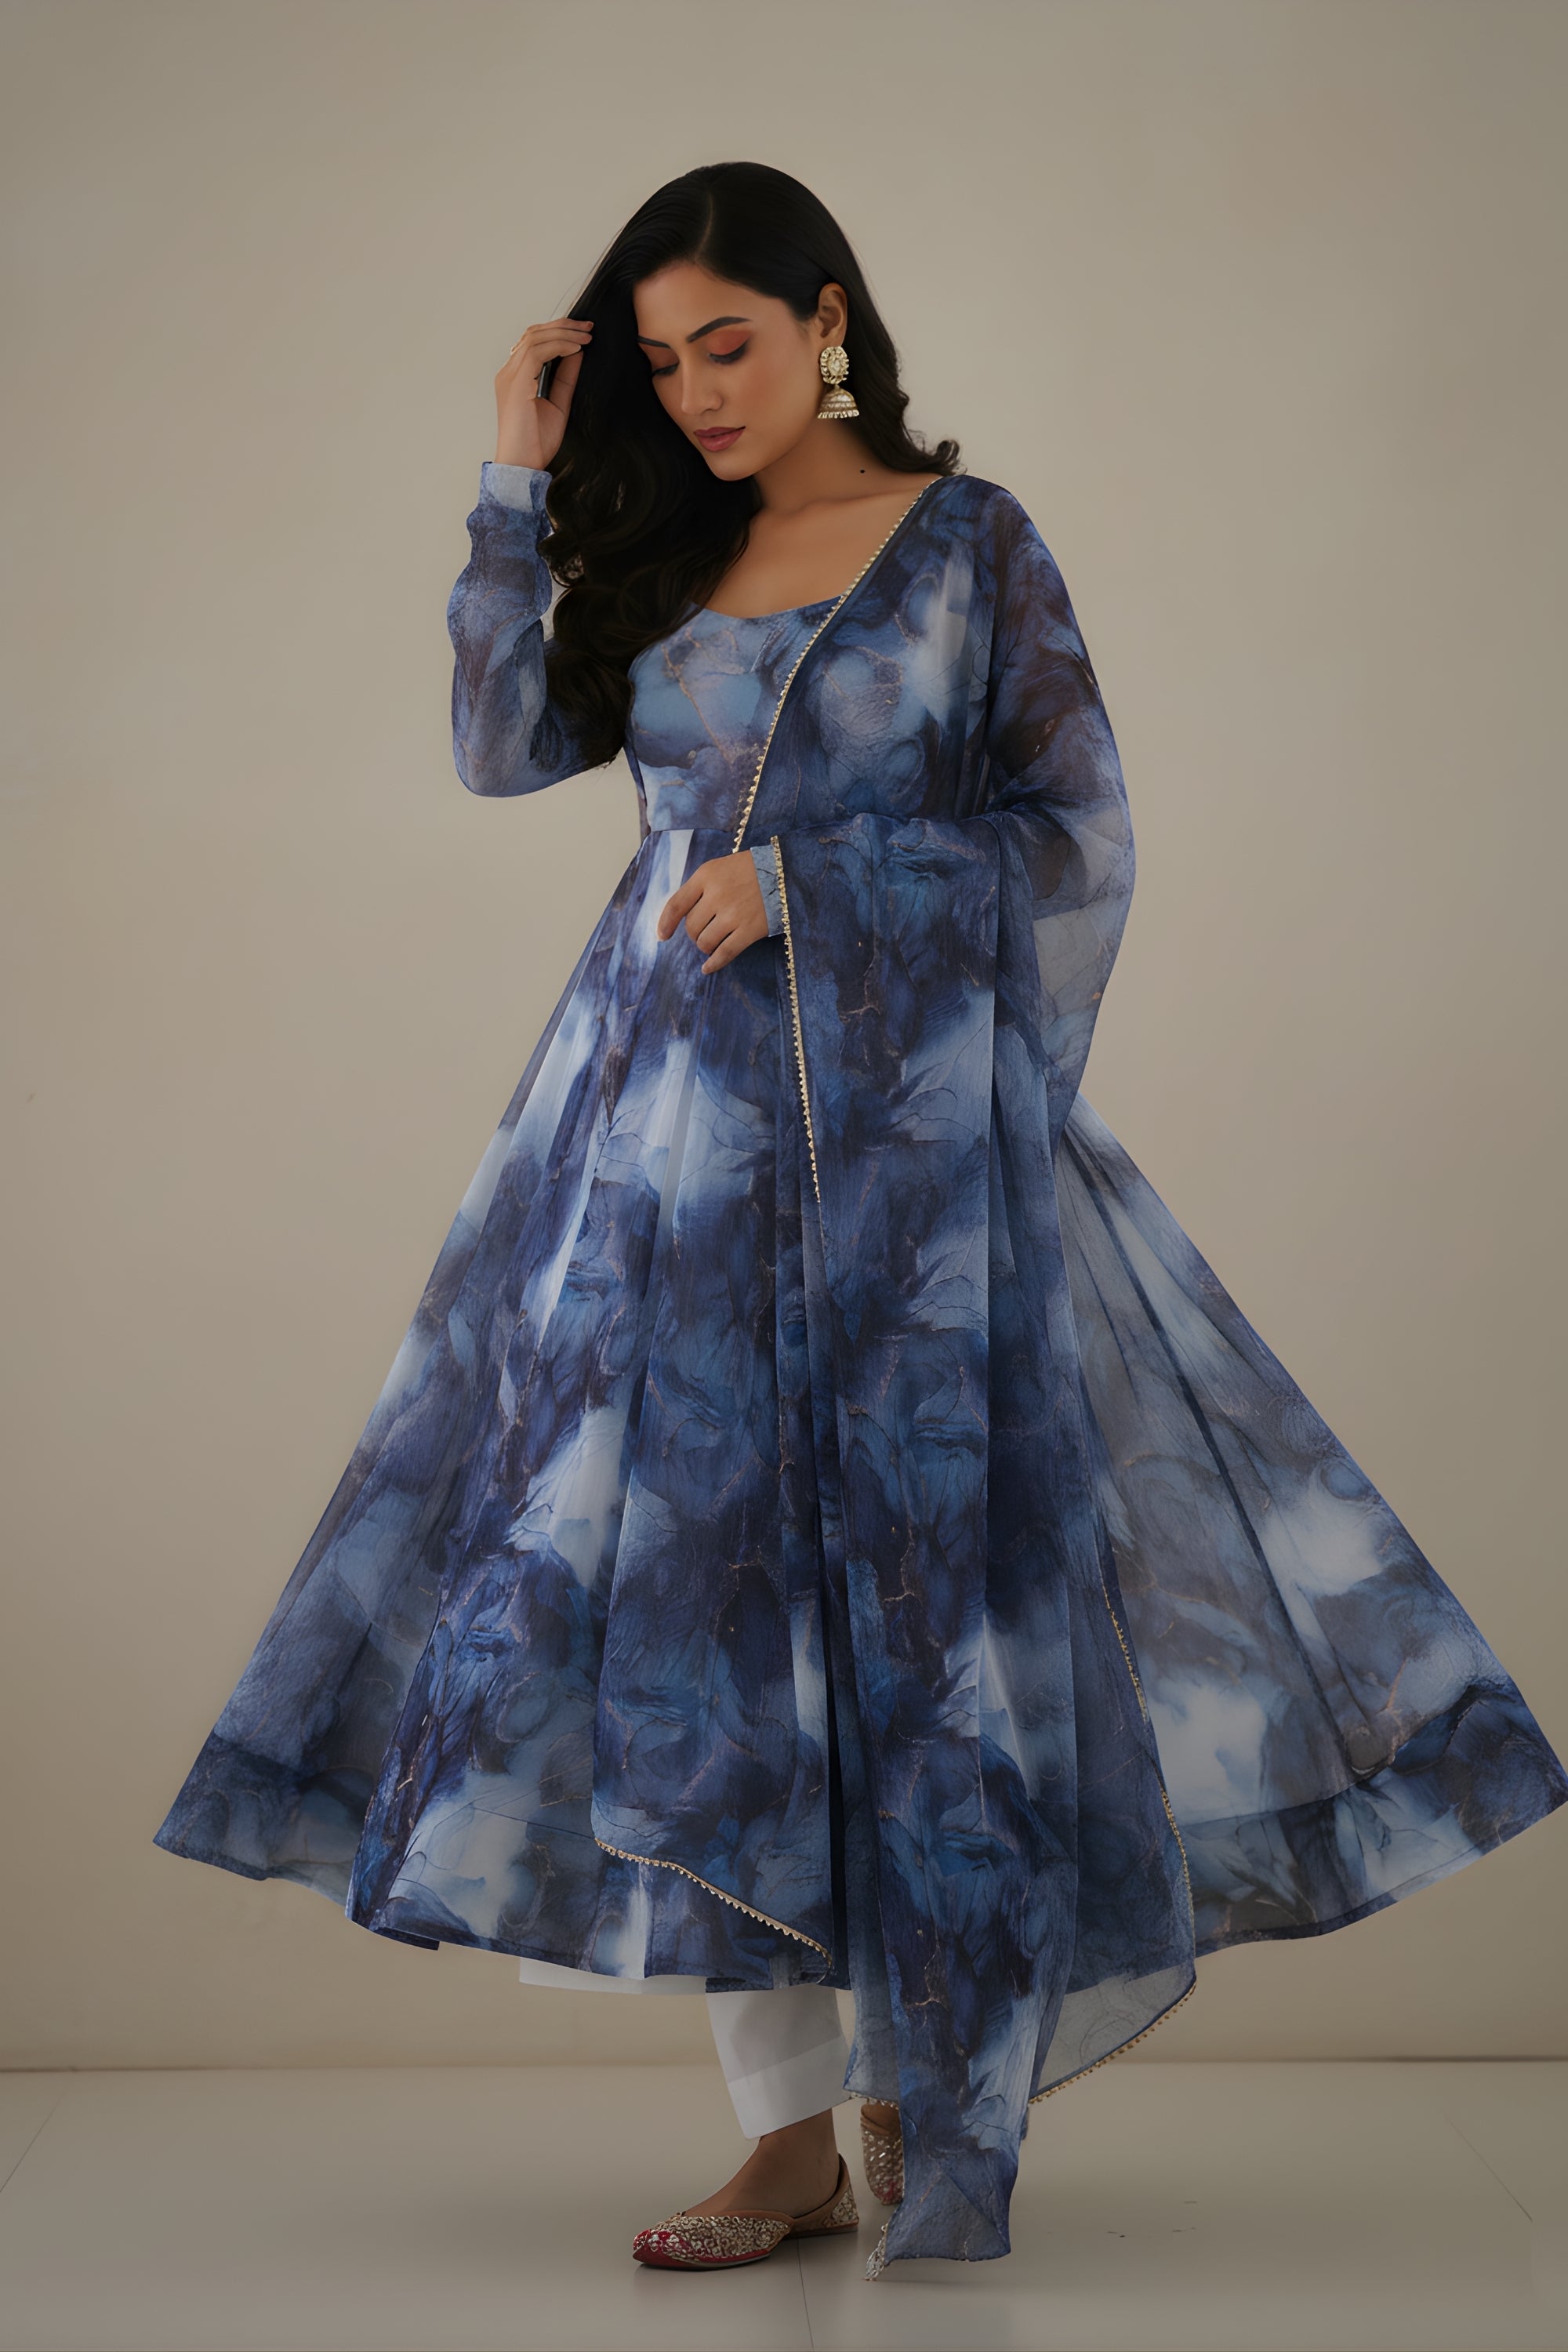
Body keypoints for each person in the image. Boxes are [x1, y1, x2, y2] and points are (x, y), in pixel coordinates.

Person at [154, 161, 1568, 2282]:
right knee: (703, 1615)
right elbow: (499, 747)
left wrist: (819, 887)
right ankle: (783, 2136)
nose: (698, 394)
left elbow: (1075, 834)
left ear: (828, 318)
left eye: (726, 343)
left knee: (923, 1605)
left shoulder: (969, 545)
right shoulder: (659, 544)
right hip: (663, 1155)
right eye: (659, 363)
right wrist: (513, 486)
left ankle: (937, 2078)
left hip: (913, 1175)